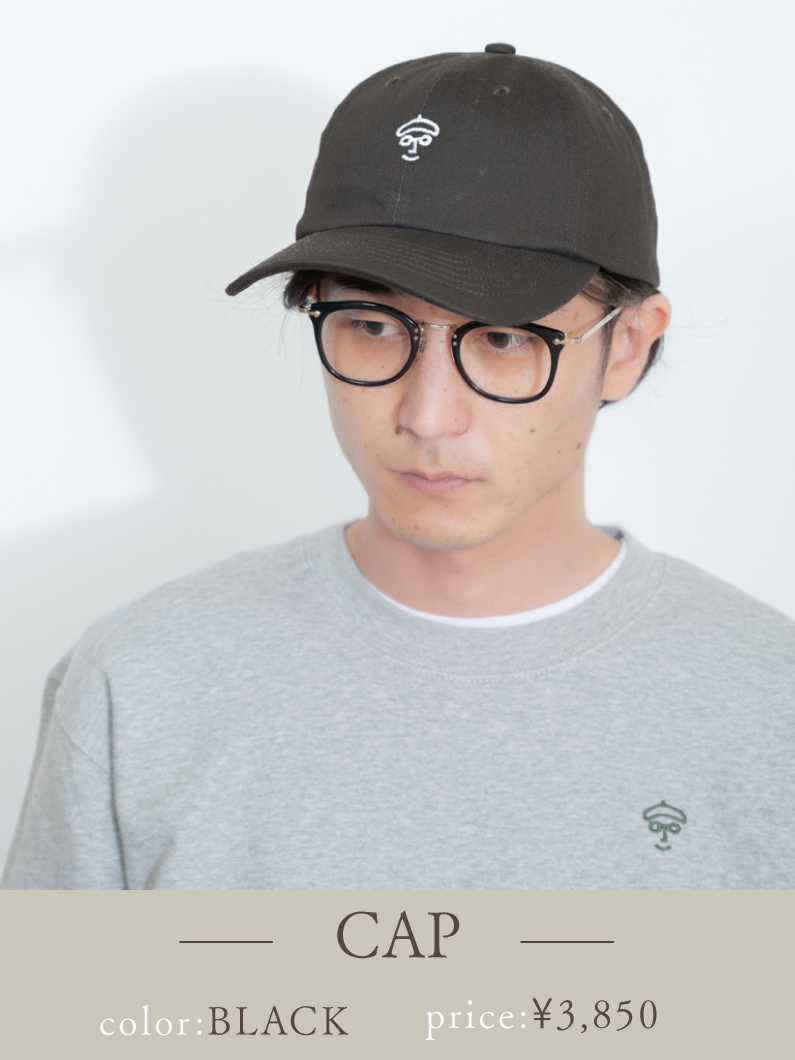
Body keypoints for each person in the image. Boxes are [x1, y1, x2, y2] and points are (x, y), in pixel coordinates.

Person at [3, 44, 793, 890]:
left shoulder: (764, 705)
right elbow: (68, 991)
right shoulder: (140, 684)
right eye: (372, 326)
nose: (426, 414)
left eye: (502, 337)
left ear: (627, 346)